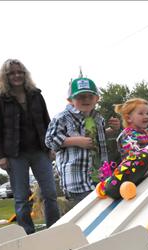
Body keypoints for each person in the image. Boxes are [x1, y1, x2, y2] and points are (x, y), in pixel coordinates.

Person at [0, 59, 60, 234]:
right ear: (6, 77)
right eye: (12, 73)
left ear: (25, 74)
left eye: (20, 72)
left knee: (50, 194)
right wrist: (1, 156)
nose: (16, 75)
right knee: (21, 198)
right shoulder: (0, 100)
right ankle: (28, 234)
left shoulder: (36, 94)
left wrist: (51, 146)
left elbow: (47, 121)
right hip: (15, 155)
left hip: (40, 150)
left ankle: (53, 230)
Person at [45, 77, 120, 206]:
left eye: (90, 96)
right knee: (85, 213)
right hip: (77, 179)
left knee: (102, 210)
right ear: (70, 100)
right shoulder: (62, 117)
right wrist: (75, 141)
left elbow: (96, 139)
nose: (86, 100)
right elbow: (50, 140)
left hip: (100, 176)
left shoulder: (98, 118)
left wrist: (112, 130)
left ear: (97, 99)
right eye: (80, 97)